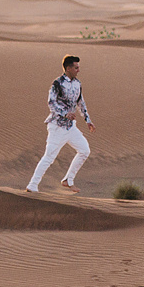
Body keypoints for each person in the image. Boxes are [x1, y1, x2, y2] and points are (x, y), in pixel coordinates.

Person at [27, 54, 93, 193]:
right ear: (68, 68)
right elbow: (51, 102)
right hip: (57, 126)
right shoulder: (57, 83)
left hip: (71, 127)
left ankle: (68, 180)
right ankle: (32, 185)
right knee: (49, 157)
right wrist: (65, 113)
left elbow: (81, 102)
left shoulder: (77, 83)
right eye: (76, 67)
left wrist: (88, 120)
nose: (78, 70)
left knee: (84, 150)